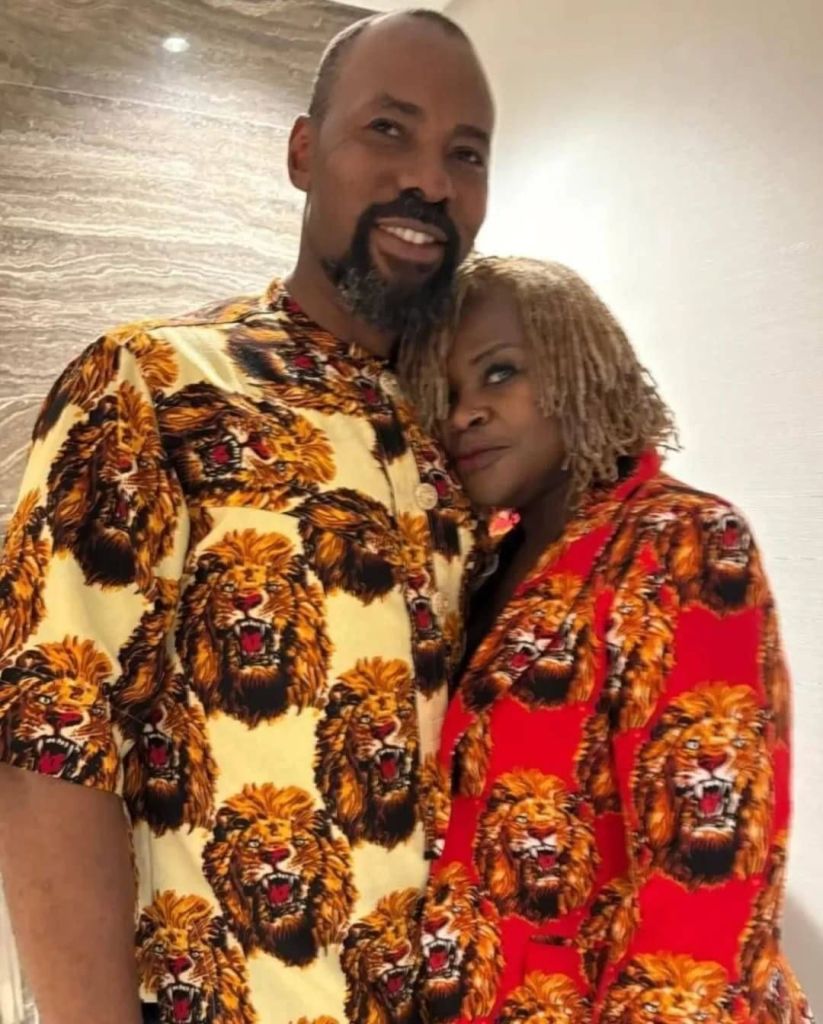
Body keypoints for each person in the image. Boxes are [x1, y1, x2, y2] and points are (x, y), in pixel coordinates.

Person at [0, 11, 494, 1024]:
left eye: (465, 153)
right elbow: (51, 739)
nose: (431, 183)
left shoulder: (455, 452)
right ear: (304, 153)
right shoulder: (152, 385)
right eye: (389, 131)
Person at [400, 256, 814, 1024]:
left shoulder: (679, 539)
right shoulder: (484, 564)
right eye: (447, 395)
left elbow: (702, 872)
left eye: (500, 374)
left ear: (581, 367)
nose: (465, 415)